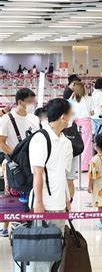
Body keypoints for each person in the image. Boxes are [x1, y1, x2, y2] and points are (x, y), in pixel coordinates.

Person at [30, 98, 73, 271]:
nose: (71, 117)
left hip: (59, 204)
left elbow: (61, 174)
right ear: (63, 116)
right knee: (42, 255)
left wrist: (66, 199)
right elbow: (38, 173)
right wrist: (39, 203)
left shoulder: (65, 142)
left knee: (57, 252)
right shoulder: (41, 139)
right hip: (45, 205)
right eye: (70, 114)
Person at [0, 88, 40, 237]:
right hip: (14, 165)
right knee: (13, 197)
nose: (33, 104)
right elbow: (1, 142)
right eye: (30, 102)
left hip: (33, 164)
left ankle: (30, 224)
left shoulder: (34, 119)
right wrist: (15, 156)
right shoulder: (6, 119)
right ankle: (7, 227)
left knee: (32, 194)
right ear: (20, 102)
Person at [69, 81, 94, 172]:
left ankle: (75, 166)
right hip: (86, 123)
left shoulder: (72, 99)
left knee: (75, 144)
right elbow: (92, 112)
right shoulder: (89, 99)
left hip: (75, 123)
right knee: (86, 145)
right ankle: (84, 166)